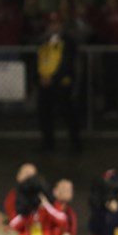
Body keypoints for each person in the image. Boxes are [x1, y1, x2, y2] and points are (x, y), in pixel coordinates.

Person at [37, 12, 80, 152]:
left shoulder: (68, 41)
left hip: (62, 82)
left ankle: (75, 143)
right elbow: (40, 59)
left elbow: (67, 63)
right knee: (45, 114)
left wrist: (53, 78)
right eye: (51, 23)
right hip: (45, 82)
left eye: (56, 23)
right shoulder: (44, 40)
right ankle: (48, 143)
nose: (53, 26)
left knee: (67, 113)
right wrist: (40, 77)